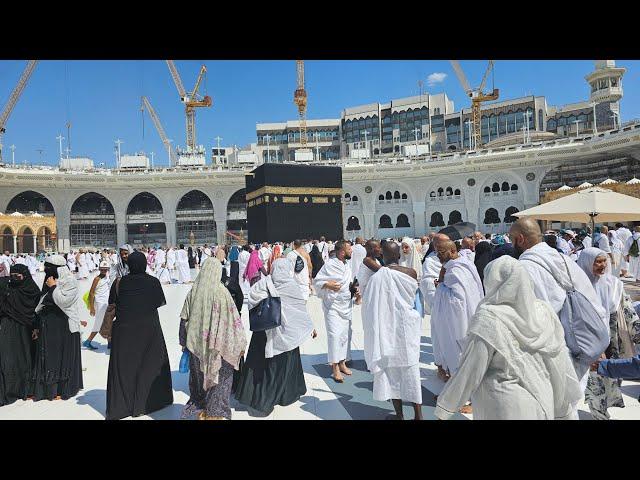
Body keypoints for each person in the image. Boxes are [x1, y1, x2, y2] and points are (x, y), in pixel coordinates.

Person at [434, 256, 582, 420]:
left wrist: (445, 408)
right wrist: (562, 408)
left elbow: (471, 369)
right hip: (541, 398)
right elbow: (558, 362)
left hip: (502, 404)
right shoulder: (544, 312)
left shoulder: (489, 317)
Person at [509, 218, 607, 410]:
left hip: (553, 353)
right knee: (568, 406)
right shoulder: (563, 258)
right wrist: (597, 339)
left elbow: (529, 317)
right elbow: (590, 298)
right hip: (581, 344)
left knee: (551, 406)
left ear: (520, 239)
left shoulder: (525, 267)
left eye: (512, 239)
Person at [235, 257, 316, 414]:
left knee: (263, 366)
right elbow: (300, 311)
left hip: (264, 333)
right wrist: (310, 326)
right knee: (284, 367)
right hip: (288, 337)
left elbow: (251, 300)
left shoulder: (263, 284)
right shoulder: (292, 286)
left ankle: (261, 397)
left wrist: (268, 299)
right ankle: (285, 395)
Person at [105, 251, 172, 420]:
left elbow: (112, 302)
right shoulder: (153, 282)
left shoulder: (119, 283)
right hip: (149, 330)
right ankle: (148, 402)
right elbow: (158, 302)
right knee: (149, 365)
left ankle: (123, 406)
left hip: (124, 332)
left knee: (125, 368)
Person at [180, 258, 247, 420]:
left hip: (197, 347)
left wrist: (184, 342)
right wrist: (240, 342)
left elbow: (184, 319)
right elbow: (234, 321)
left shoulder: (193, 291)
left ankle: (202, 410)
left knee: (200, 380)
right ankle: (215, 413)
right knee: (220, 381)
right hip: (220, 348)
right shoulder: (222, 292)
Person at [577, 248, 640, 420]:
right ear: (587, 263)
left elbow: (628, 312)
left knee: (611, 378)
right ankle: (599, 414)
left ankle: (602, 411)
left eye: (605, 261)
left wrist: (637, 333)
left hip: (613, 343)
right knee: (594, 382)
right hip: (588, 343)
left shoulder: (615, 285)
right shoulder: (577, 288)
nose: (602, 265)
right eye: (597, 261)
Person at [364, 241, 423, 420]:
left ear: (383, 255)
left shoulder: (379, 276)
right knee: (411, 372)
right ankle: (418, 415)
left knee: (391, 373)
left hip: (388, 327)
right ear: (398, 256)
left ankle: (399, 415)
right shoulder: (410, 273)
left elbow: (370, 304)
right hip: (407, 326)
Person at [31, 255, 84, 401]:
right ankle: (49, 389)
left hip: (64, 325)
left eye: (50, 267)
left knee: (62, 357)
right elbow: (43, 299)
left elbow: (64, 301)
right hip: (49, 324)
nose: (47, 270)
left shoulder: (70, 281)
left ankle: (63, 388)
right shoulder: (49, 279)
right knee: (50, 357)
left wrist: (53, 287)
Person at [432, 240, 484, 384]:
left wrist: (440, 287)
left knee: (460, 357)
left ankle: (465, 399)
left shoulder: (456, 270)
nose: (438, 256)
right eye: (437, 253)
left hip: (461, 322)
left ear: (453, 251)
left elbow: (457, 302)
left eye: (442, 253)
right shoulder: (463, 265)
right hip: (470, 314)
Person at [313, 240, 359, 382]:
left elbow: (347, 282)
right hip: (332, 306)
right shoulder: (330, 264)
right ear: (342, 252)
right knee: (334, 335)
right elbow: (317, 281)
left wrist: (354, 290)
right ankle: (335, 368)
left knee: (345, 335)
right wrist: (327, 284)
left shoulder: (346, 265)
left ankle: (342, 362)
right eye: (349, 249)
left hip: (345, 305)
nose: (352, 251)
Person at [0, 264, 42, 406]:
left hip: (26, 329)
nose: (14, 279)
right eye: (12, 276)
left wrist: (36, 328)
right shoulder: (7, 287)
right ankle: (9, 389)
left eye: (17, 276)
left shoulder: (32, 290)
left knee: (24, 358)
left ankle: (24, 388)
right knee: (8, 359)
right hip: (8, 328)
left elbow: (37, 311)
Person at [83, 261, 111, 350]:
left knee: (108, 322)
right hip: (99, 304)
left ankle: (109, 342)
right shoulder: (97, 279)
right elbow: (91, 293)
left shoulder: (107, 277)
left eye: (105, 269)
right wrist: (92, 308)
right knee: (99, 323)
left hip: (106, 303)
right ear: (99, 269)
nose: (104, 271)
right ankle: (88, 341)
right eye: (102, 269)